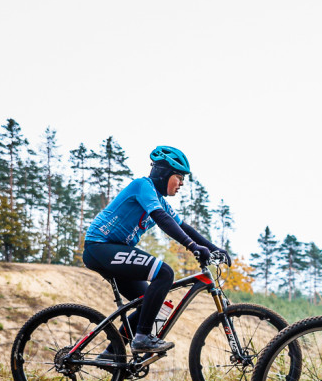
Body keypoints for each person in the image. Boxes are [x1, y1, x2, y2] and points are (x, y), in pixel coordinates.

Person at [82, 146, 230, 354]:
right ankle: (141, 338)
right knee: (164, 273)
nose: (182, 184)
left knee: (150, 306)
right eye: (179, 177)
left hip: (115, 249)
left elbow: (183, 227)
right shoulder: (143, 186)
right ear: (164, 173)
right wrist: (192, 246)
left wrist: (215, 249)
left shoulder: (159, 200)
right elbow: (162, 219)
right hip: (100, 246)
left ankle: (111, 354)